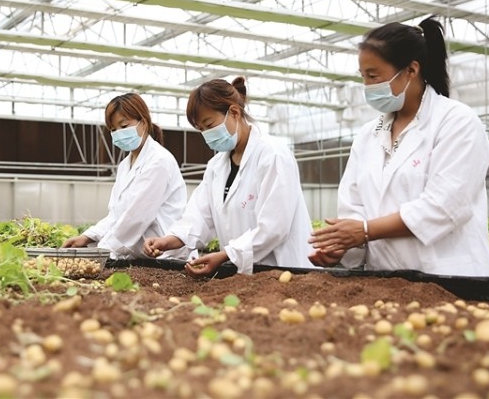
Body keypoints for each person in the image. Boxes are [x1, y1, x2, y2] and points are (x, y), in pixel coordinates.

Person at [308, 16, 489, 277]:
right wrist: (342, 246)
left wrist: (364, 230)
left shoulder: (457, 123)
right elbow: (354, 208)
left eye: (374, 76)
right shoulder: (366, 136)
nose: (367, 86)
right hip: (384, 280)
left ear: (411, 70)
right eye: (363, 77)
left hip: (449, 277)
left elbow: (444, 207)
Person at [143, 77, 316, 276]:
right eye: (201, 129)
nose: (206, 134)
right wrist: (168, 240)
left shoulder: (273, 154)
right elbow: (198, 217)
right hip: (246, 277)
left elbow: (274, 227)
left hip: (285, 270)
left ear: (234, 112)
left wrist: (226, 255)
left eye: (209, 125)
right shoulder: (216, 167)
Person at [62, 93, 190, 260]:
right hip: (140, 257)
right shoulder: (124, 165)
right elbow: (116, 215)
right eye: (113, 129)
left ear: (143, 123)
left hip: (166, 256)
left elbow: (136, 217)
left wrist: (101, 251)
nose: (118, 133)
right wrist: (87, 237)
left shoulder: (159, 161)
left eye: (124, 126)